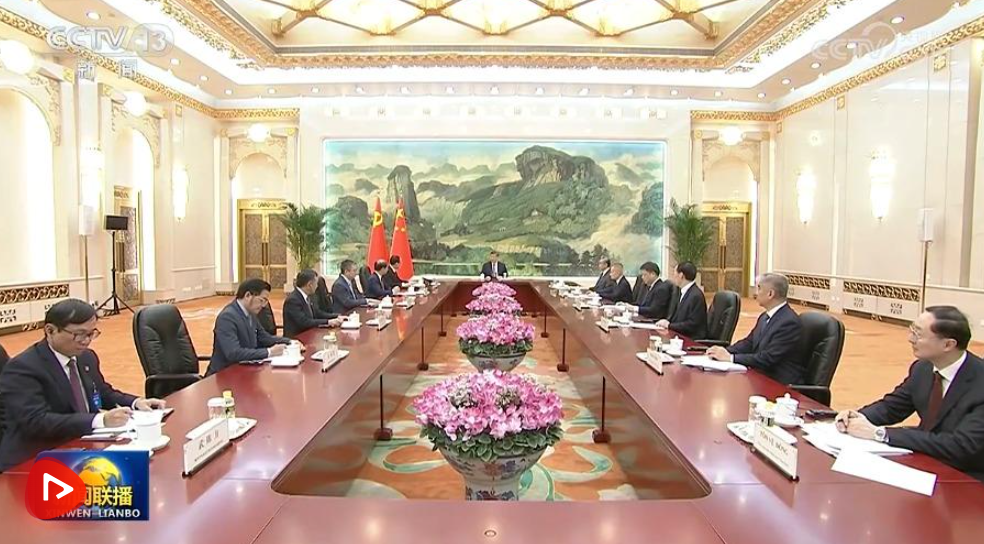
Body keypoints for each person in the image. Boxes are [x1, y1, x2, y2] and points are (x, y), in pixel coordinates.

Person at [0, 299, 165, 471]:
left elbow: (101, 392)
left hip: (82, 445)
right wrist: (99, 420)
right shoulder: (23, 367)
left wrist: (135, 402)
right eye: (79, 334)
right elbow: (36, 421)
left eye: (91, 334)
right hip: (36, 458)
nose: (86, 341)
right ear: (50, 330)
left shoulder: (86, 357)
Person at [835, 306, 984, 481]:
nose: (910, 339)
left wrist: (881, 434)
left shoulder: (979, 382)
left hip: (967, 477)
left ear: (948, 345)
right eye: (912, 330)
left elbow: (961, 446)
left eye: (918, 334)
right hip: (926, 462)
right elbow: (892, 407)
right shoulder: (922, 368)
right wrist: (856, 417)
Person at [707, 273, 805, 384]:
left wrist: (731, 358)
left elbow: (768, 358)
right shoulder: (764, 316)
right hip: (762, 376)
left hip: (779, 383)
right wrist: (723, 351)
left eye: (759, 288)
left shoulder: (789, 322)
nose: (755, 293)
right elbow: (748, 343)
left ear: (770, 294)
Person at [207, 279, 291, 375]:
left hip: (244, 370)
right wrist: (269, 352)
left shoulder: (251, 314)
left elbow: (264, 337)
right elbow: (234, 353)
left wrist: (289, 342)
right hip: (224, 374)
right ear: (247, 295)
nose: (263, 306)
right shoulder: (227, 317)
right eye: (261, 300)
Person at [283, 270, 343, 338]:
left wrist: (337, 316)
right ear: (310, 285)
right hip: (297, 338)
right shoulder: (293, 300)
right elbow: (304, 322)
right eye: (316, 283)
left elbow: (317, 313)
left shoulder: (309, 296)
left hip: (309, 334)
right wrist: (328, 322)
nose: (317, 286)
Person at [656, 262, 707, 338]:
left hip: (690, 338)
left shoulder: (696, 296)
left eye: (674, 274)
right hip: (679, 335)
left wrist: (669, 325)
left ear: (681, 275)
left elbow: (692, 324)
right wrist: (667, 322)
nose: (673, 277)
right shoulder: (680, 292)